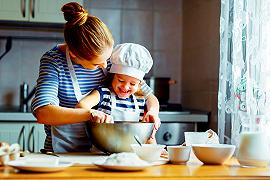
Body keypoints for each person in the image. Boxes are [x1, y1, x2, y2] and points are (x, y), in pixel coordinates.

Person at [31, 2, 160, 153]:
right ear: (74, 55)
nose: (105, 66)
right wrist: (89, 114)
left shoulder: (112, 59)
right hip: (64, 153)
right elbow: (43, 112)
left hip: (103, 152)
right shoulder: (54, 61)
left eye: (107, 59)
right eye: (97, 63)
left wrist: (152, 112)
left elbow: (148, 95)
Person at [76, 43, 160, 143]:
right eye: (120, 80)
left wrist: (152, 112)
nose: (125, 87)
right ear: (112, 77)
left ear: (140, 85)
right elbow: (81, 105)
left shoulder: (140, 100)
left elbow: (148, 137)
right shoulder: (103, 93)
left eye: (132, 84)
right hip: (102, 152)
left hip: (132, 154)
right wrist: (93, 113)